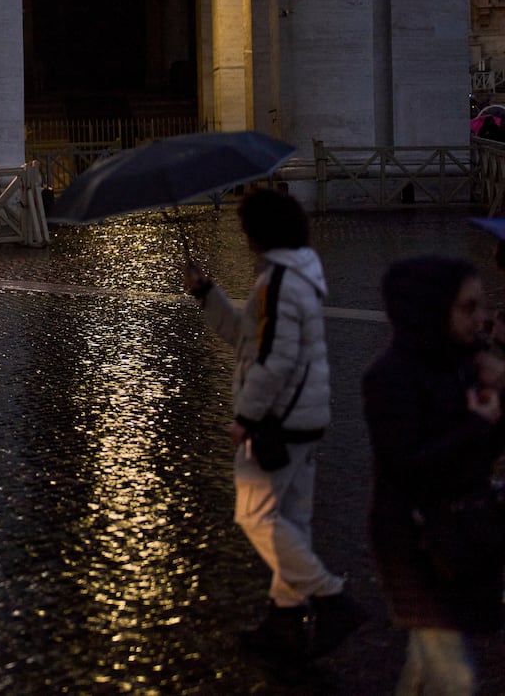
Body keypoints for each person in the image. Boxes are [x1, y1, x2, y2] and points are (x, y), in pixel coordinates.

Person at [182, 188, 361, 662]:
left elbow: (274, 360)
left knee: (255, 515)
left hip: (280, 421)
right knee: (292, 523)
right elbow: (247, 339)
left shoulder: (281, 282)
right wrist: (207, 293)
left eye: (246, 230)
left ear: (260, 231)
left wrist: (247, 417)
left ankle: (330, 598)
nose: (243, 238)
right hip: (301, 418)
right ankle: (284, 622)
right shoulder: (288, 278)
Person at [364, 256, 505, 692]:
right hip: (415, 545)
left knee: (427, 668)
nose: (483, 318)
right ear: (432, 309)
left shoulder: (466, 365)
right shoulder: (389, 378)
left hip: (458, 537)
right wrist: (479, 424)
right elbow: (407, 468)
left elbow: (484, 452)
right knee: (453, 676)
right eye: (469, 308)